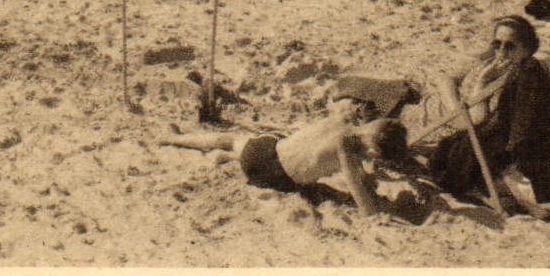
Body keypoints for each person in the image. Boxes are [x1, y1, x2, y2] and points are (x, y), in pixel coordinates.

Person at [157, 101, 409, 217]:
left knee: (227, 140)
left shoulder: (344, 119)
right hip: (273, 176)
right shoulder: (349, 153)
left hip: (263, 150)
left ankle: (173, 139)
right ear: (373, 153)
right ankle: (228, 158)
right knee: (320, 188)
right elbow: (366, 209)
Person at [427, 16, 550, 219]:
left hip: (443, 123)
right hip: (440, 107)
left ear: (526, 50)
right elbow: (446, 78)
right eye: (497, 43)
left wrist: (482, 82)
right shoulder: (488, 57)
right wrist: (454, 105)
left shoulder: (519, 81)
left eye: (510, 46)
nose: (501, 51)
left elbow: (475, 122)